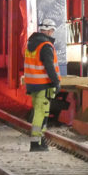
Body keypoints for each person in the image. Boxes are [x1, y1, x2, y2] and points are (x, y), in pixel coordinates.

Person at [24, 18, 61, 152]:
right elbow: (49, 66)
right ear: (50, 31)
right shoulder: (45, 46)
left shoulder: (31, 43)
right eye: (52, 31)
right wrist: (56, 82)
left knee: (40, 112)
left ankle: (40, 140)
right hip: (43, 84)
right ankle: (36, 143)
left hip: (32, 84)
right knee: (41, 113)